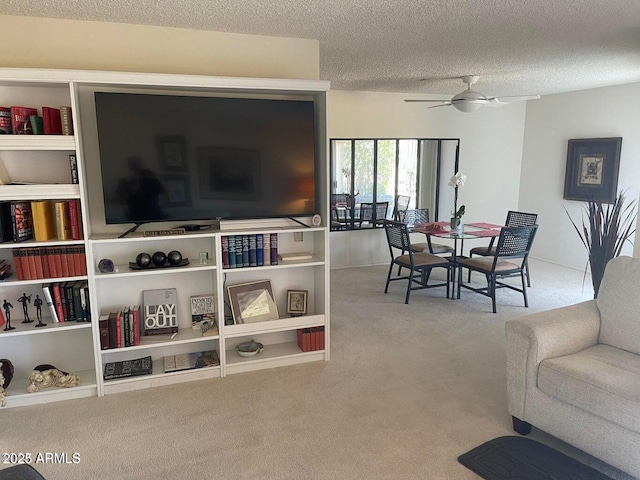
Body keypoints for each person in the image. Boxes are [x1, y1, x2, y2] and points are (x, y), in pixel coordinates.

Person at [116, 156, 166, 222]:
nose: (138, 168)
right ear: (130, 167)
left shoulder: (150, 180)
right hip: (137, 216)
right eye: (135, 165)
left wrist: (156, 177)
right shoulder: (125, 182)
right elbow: (121, 200)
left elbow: (164, 190)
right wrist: (133, 185)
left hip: (155, 215)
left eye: (140, 165)